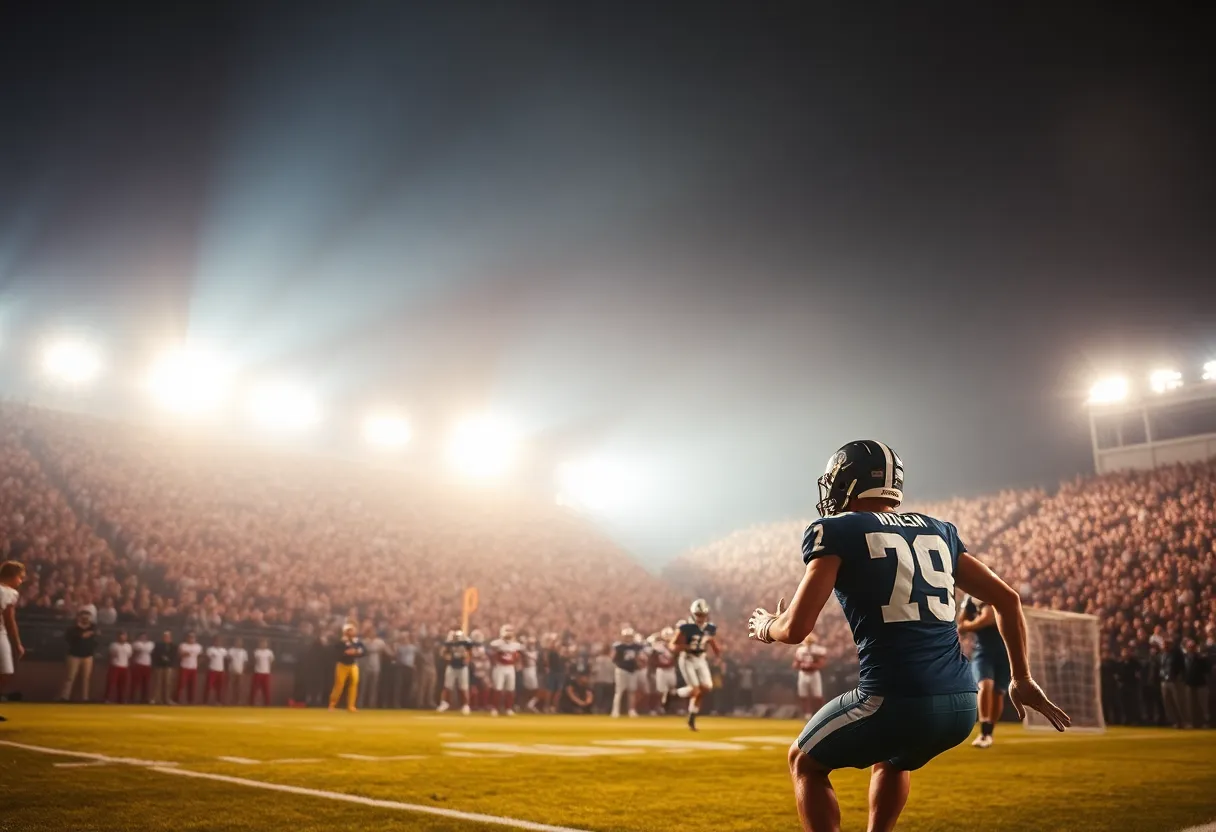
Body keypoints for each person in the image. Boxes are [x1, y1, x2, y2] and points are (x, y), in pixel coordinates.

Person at [748, 440, 1069, 832]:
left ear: (848, 482)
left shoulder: (835, 529)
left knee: (804, 760)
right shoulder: (940, 530)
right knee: (894, 757)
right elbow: (1007, 599)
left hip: (894, 700)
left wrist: (766, 625)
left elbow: (796, 629)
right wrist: (1021, 677)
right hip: (962, 705)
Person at [957, 594, 1011, 747]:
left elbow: (988, 618)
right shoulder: (970, 600)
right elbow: (961, 625)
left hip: (1004, 651)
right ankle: (984, 730)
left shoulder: (996, 593)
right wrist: (977, 622)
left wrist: (973, 623)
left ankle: (988, 732)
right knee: (985, 685)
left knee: (999, 692)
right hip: (982, 651)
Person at [671, 598, 719, 731]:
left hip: (701, 659)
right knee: (696, 690)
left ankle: (675, 694)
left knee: (707, 688)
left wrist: (718, 655)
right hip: (687, 658)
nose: (701, 618)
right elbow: (672, 644)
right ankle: (691, 717)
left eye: (703, 615)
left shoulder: (710, 628)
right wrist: (682, 647)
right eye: (698, 615)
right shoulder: (685, 627)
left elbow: (712, 642)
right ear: (693, 614)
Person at [0, 561, 26, 721]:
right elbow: (10, 619)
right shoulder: (8, 592)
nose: (21, 581)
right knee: (6, 671)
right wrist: (17, 643)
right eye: (20, 577)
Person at [61, 611, 98, 702]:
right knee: (70, 677)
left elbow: (98, 639)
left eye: (87, 617)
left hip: (88, 656)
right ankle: (65, 697)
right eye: (83, 617)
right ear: (79, 617)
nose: (86, 619)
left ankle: (85, 698)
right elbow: (68, 638)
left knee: (86, 678)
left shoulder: (93, 628)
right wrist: (81, 635)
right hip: (74, 655)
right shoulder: (73, 628)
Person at [488, 624, 522, 717]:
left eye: (511, 630)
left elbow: (517, 656)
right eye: (507, 630)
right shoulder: (496, 643)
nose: (509, 633)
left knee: (510, 689)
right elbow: (492, 655)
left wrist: (518, 663)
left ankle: (508, 708)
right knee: (497, 688)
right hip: (500, 667)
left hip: (510, 667)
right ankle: (494, 708)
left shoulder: (516, 645)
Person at [329, 622, 365, 712]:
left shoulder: (357, 641)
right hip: (342, 664)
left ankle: (351, 706)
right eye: (350, 630)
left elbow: (364, 651)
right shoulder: (341, 641)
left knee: (354, 684)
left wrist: (356, 652)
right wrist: (345, 652)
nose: (352, 632)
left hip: (353, 664)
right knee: (339, 685)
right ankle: (332, 705)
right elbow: (337, 651)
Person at [436, 629, 472, 715]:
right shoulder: (449, 643)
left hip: (462, 667)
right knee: (447, 686)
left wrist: (467, 658)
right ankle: (444, 703)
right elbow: (442, 652)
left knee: (464, 688)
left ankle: (465, 705)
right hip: (451, 666)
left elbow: (470, 652)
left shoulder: (466, 642)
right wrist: (446, 656)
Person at [794, 633, 828, 720]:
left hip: (814, 673)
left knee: (818, 695)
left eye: (811, 642)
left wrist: (813, 665)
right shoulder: (800, 650)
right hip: (803, 673)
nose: (809, 644)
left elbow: (822, 663)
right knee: (803, 695)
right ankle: (807, 714)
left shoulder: (818, 650)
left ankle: (821, 713)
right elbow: (795, 663)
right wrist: (800, 665)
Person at [610, 627, 642, 718]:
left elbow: (639, 657)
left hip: (632, 670)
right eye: (626, 636)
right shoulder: (619, 646)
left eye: (630, 636)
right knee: (619, 691)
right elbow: (613, 658)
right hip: (622, 669)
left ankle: (631, 710)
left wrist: (638, 663)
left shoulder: (636, 646)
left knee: (632, 691)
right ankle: (615, 710)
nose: (628, 638)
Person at [651, 627, 678, 711]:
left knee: (673, 690)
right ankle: (659, 707)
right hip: (661, 670)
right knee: (661, 690)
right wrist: (658, 665)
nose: (668, 637)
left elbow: (677, 658)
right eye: (667, 635)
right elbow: (653, 658)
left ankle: (672, 708)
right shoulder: (657, 646)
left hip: (671, 669)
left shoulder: (675, 646)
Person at [106, 631, 133, 704]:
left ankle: (121, 699)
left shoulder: (128, 646)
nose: (123, 638)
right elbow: (112, 654)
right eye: (121, 636)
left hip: (124, 666)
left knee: (123, 684)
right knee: (112, 683)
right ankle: (108, 699)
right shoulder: (114, 645)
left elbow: (129, 655)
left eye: (124, 636)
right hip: (115, 666)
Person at [176, 631, 202, 704]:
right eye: (190, 637)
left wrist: (198, 664)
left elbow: (200, 656)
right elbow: (180, 655)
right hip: (184, 667)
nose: (191, 639)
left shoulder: (198, 646)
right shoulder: (183, 645)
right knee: (181, 684)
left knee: (192, 685)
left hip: (193, 668)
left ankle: (190, 700)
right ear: (187, 638)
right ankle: (177, 699)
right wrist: (184, 654)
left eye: (193, 637)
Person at [150, 630, 175, 705]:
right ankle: (156, 698)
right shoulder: (158, 645)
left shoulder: (173, 646)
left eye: (168, 637)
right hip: (159, 666)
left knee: (168, 683)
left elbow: (174, 656)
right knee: (158, 682)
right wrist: (161, 657)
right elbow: (155, 654)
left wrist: (168, 659)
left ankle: (167, 699)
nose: (167, 638)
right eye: (165, 636)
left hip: (168, 666)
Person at [130, 632, 154, 704]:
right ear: (139, 637)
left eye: (145, 637)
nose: (143, 638)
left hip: (147, 665)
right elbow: (138, 649)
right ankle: (132, 698)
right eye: (142, 637)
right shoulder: (136, 643)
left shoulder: (150, 644)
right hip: (138, 664)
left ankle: (145, 699)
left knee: (146, 683)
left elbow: (147, 650)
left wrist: (143, 648)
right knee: (136, 683)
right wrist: (143, 648)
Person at [204, 635, 228, 706]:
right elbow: (207, 659)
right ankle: (206, 701)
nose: (218, 642)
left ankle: (218, 701)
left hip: (220, 670)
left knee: (220, 687)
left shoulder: (224, 650)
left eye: (220, 641)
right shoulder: (210, 649)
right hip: (212, 670)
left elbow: (226, 660)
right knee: (209, 686)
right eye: (217, 641)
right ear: (214, 641)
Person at [251, 638, 274, 706]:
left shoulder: (269, 652)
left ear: (267, 644)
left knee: (266, 690)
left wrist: (268, 670)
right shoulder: (256, 651)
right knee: (254, 690)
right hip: (258, 673)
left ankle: (267, 704)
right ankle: (251, 703)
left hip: (266, 673)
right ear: (259, 644)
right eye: (262, 643)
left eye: (265, 643)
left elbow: (271, 662)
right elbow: (254, 661)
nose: (263, 644)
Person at [227, 637, 249, 705]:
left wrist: (243, 671)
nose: (238, 643)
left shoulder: (244, 652)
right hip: (232, 672)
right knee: (231, 687)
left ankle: (238, 701)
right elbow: (228, 660)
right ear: (234, 642)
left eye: (240, 642)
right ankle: (230, 701)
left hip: (240, 672)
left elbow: (245, 662)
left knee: (239, 688)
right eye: (237, 642)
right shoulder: (231, 650)